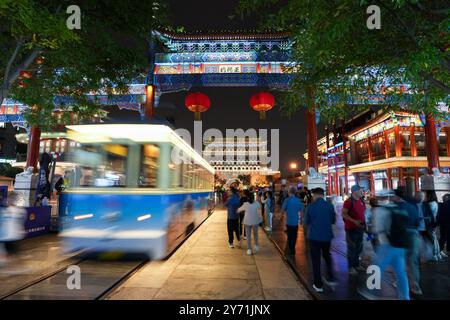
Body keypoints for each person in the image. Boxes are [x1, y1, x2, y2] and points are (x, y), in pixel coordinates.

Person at [358, 190, 411, 300]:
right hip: (401, 245)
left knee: (376, 268)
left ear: (379, 198)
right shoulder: (398, 208)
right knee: (401, 272)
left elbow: (376, 230)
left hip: (386, 245)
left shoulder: (379, 210)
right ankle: (405, 296)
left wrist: (369, 237)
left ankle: (370, 292)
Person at [304, 187, 337, 292]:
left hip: (314, 236)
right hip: (327, 236)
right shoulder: (330, 206)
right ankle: (330, 276)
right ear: (322, 195)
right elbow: (333, 221)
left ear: (314, 195)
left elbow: (306, 222)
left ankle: (318, 285)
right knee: (327, 255)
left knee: (316, 260)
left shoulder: (310, 206)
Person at [342, 185, 367, 274]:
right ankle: (351, 267)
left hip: (360, 228)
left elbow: (363, 214)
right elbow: (344, 214)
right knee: (352, 248)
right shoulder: (348, 202)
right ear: (354, 191)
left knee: (359, 247)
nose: (362, 192)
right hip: (351, 229)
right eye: (360, 190)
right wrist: (354, 221)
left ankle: (357, 264)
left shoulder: (361, 201)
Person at [0, 195, 26, 267]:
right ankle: (9, 265)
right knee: (11, 252)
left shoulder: (3, 210)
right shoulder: (20, 211)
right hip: (14, 235)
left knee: (7, 252)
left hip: (4, 236)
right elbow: (22, 221)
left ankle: (7, 263)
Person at [281, 186, 304, 257]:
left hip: (289, 221)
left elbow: (282, 209)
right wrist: (301, 220)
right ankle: (292, 248)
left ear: (289, 192)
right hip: (295, 221)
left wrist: (281, 217)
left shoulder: (287, 200)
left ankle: (292, 250)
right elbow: (301, 211)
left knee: (290, 236)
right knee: (294, 236)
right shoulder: (298, 200)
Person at [237, 191, 262, 255]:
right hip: (255, 221)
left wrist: (237, 210)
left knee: (248, 236)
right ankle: (256, 246)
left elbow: (238, 210)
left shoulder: (245, 204)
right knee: (255, 234)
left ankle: (249, 249)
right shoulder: (257, 203)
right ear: (254, 198)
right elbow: (259, 213)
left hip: (247, 221)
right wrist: (261, 219)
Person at [424, 190, 441, 261]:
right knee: (435, 238)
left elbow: (428, 215)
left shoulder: (430, 204)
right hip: (434, 222)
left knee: (433, 239)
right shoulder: (435, 203)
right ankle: (438, 254)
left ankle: (434, 255)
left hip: (430, 223)